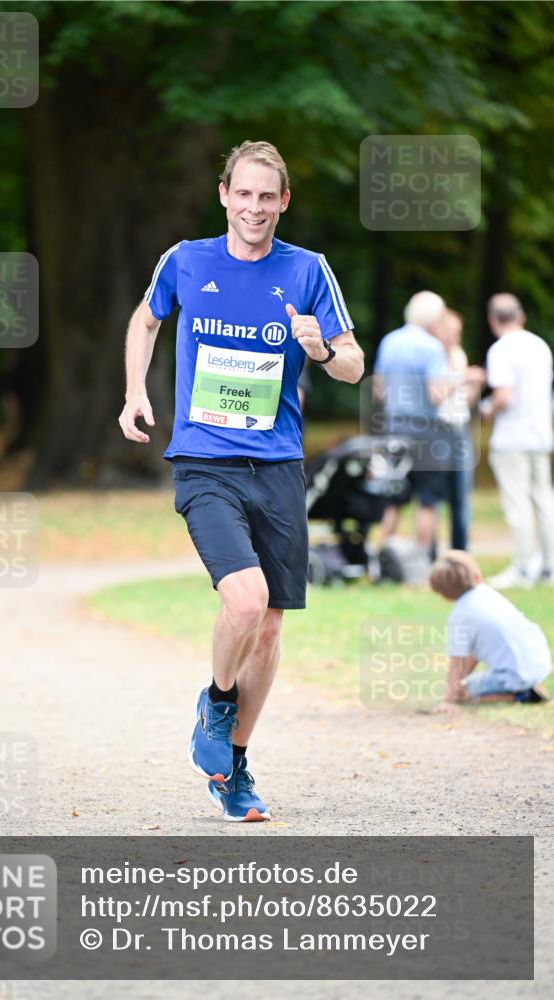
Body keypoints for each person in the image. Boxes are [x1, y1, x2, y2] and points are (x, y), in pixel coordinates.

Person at [119, 140, 364, 822]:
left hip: (279, 466)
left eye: (268, 196)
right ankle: (217, 703)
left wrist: (319, 348)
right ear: (223, 195)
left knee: (270, 628)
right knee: (246, 598)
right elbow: (145, 318)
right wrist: (135, 391)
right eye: (244, 194)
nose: (254, 207)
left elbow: (352, 363)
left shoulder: (309, 270)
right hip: (205, 463)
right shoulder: (186, 260)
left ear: (283, 202)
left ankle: (235, 767)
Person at [482, 293, 554, 589]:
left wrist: (486, 409)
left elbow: (504, 395)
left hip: (512, 438)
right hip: (540, 435)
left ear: (493, 320)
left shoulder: (501, 350)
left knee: (518, 505)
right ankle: (549, 567)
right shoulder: (540, 346)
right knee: (544, 501)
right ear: (521, 317)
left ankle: (523, 568)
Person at [373, 292, 452, 556]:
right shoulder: (432, 347)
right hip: (426, 430)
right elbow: (436, 394)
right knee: (427, 501)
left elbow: (378, 388)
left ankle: (381, 556)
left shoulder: (390, 341)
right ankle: (422, 562)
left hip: (394, 428)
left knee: (394, 497)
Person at [429, 550, 550, 712]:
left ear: (444, 594)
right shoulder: (488, 594)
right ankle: (528, 685)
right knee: (464, 684)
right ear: (476, 575)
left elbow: (457, 661)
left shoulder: (460, 617)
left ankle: (520, 695)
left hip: (514, 675)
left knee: (464, 692)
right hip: (540, 663)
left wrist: (449, 699)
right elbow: (472, 655)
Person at [435, 310, 484, 550]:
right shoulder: (432, 355)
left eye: (458, 332)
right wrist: (462, 379)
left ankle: (461, 551)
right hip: (438, 430)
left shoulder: (458, 355)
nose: (455, 336)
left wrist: (474, 384)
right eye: (451, 331)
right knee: (433, 497)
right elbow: (437, 395)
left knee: (461, 496)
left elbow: (465, 400)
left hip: (460, 429)